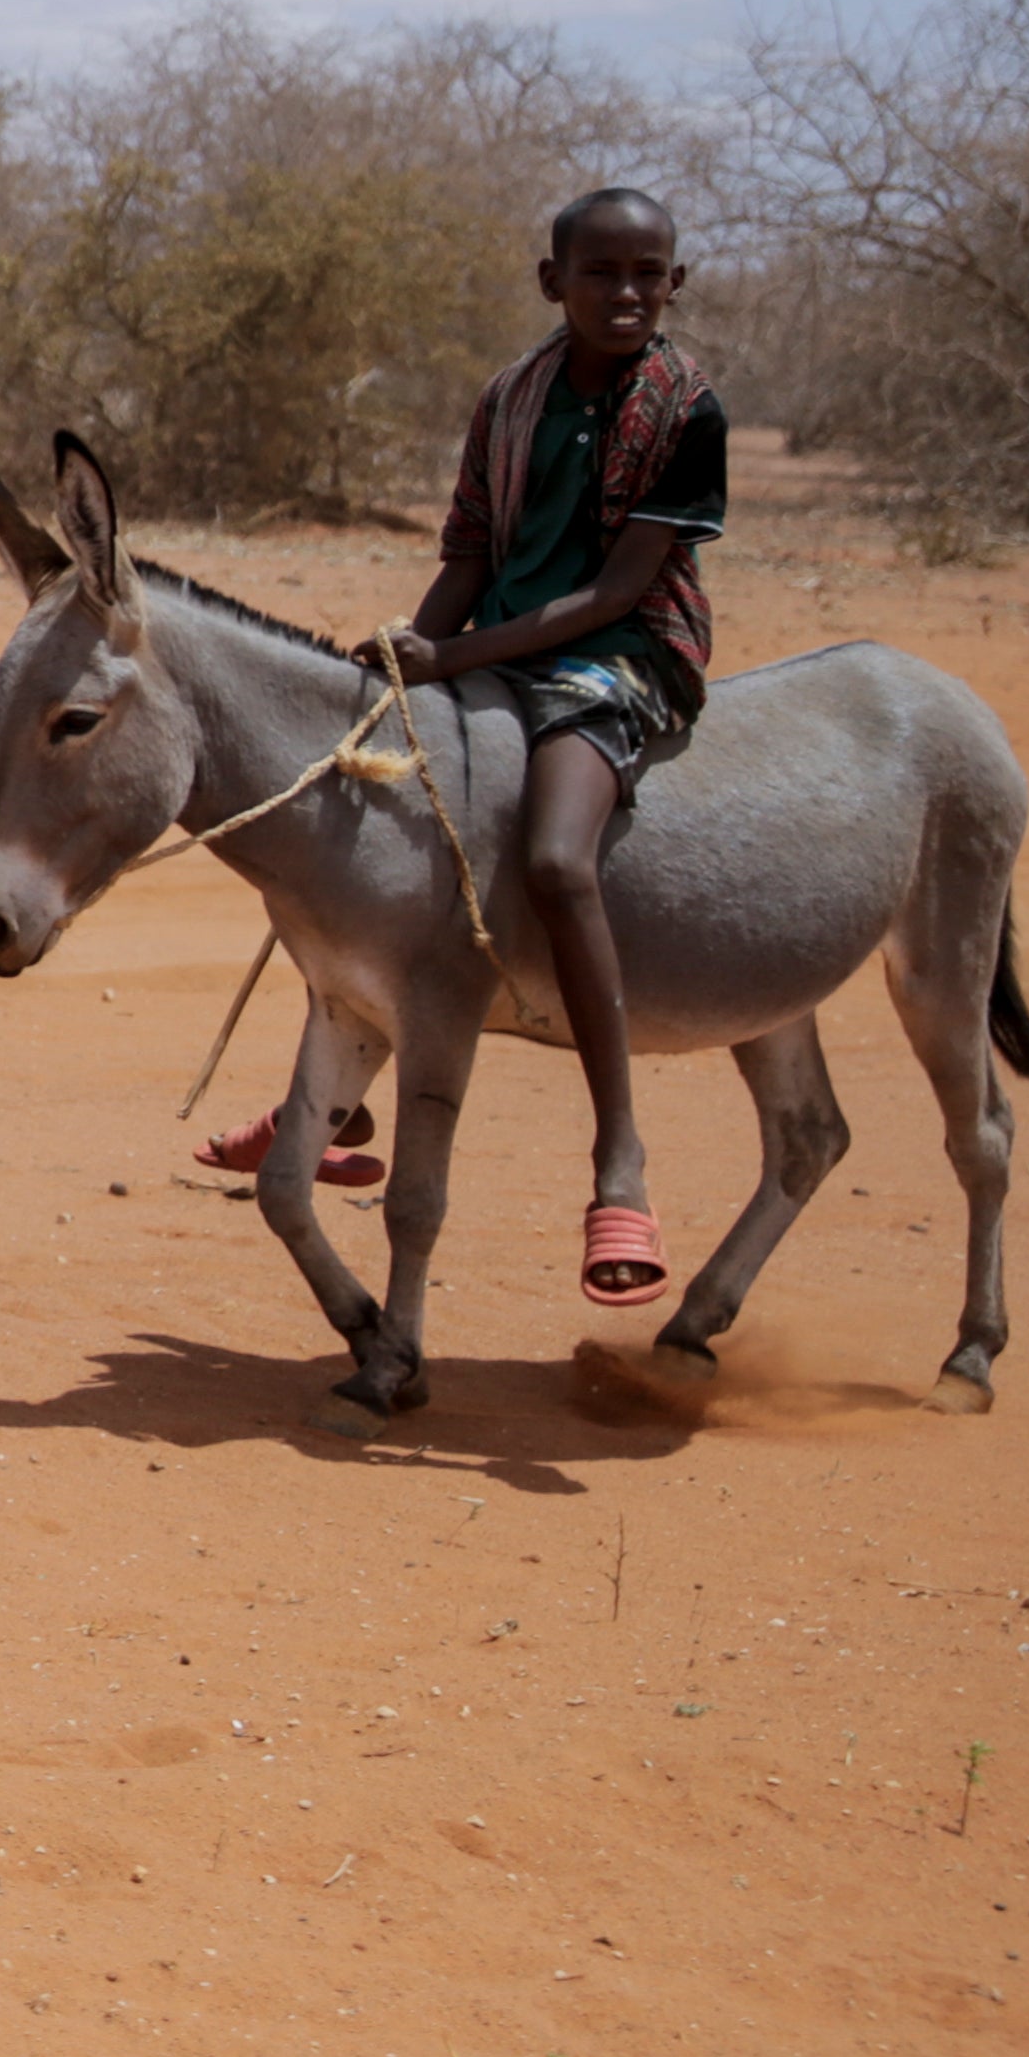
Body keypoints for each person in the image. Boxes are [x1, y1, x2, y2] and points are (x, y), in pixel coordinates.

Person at [371, 187, 726, 1310]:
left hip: (619, 653)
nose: (624, 292)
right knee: (350, 789)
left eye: (647, 272)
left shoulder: (685, 408)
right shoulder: (507, 400)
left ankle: (617, 1154)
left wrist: (456, 654)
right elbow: (472, 550)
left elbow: (619, 589)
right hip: (497, 643)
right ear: (550, 280)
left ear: (675, 281)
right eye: (600, 272)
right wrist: (412, 647)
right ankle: (326, 1104)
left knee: (556, 860)